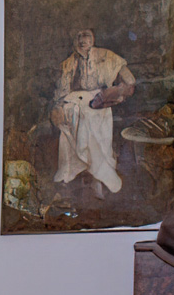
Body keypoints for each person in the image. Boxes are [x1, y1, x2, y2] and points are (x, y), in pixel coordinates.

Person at [50, 28, 134, 197]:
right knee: (70, 122)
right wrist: (58, 107)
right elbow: (60, 93)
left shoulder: (106, 56)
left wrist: (118, 93)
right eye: (79, 37)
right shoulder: (68, 63)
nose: (83, 41)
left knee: (91, 124)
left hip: (98, 102)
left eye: (86, 36)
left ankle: (98, 176)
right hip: (73, 104)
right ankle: (72, 174)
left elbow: (129, 81)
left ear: (93, 38)